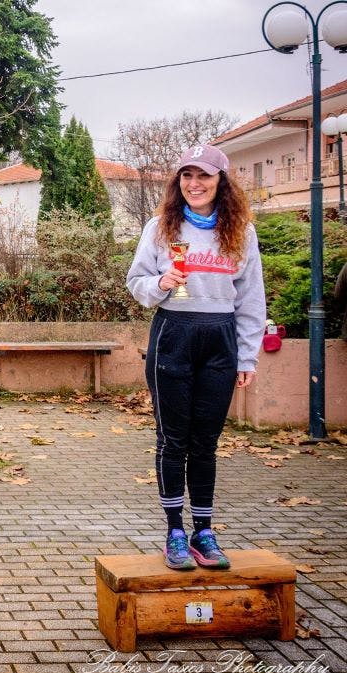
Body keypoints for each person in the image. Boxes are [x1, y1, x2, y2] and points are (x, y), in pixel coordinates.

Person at [127, 144, 265, 570]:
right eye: (187, 176)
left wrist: (247, 357)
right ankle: (174, 532)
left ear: (221, 181)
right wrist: (161, 282)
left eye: (204, 176)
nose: (195, 184)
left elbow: (251, 298)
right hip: (174, 333)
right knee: (173, 439)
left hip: (220, 338)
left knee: (205, 442)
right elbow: (136, 282)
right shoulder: (159, 227)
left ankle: (204, 530)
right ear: (178, 182)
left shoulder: (241, 230)